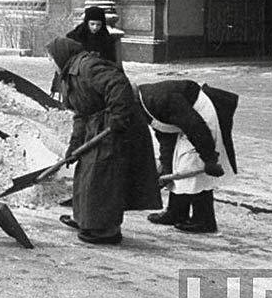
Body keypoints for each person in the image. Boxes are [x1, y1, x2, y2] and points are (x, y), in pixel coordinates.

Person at [47, 37, 161, 245]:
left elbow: (117, 83)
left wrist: (118, 116)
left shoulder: (87, 66)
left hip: (117, 127)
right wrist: (74, 147)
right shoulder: (69, 75)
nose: (50, 62)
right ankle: (86, 220)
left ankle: (106, 230)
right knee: (86, 171)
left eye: (51, 57)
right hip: (97, 125)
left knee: (103, 176)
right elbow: (80, 114)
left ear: (61, 55)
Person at [137, 81, 237, 234]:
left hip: (202, 116)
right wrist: (166, 170)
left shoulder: (159, 99)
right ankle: (177, 212)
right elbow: (165, 136)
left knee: (193, 163)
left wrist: (209, 158)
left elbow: (195, 126)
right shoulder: (142, 107)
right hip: (189, 121)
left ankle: (204, 220)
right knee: (179, 162)